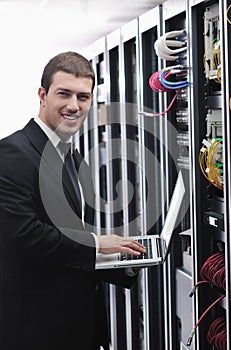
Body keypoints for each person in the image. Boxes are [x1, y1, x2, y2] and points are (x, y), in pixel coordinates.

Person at [0, 51, 146, 350]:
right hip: (36, 329)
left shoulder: (70, 154)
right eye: (63, 94)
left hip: (73, 323)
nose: (73, 106)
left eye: (83, 97)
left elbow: (62, 235)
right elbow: (22, 235)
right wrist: (96, 244)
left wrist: (121, 255)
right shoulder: (11, 154)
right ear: (42, 95)